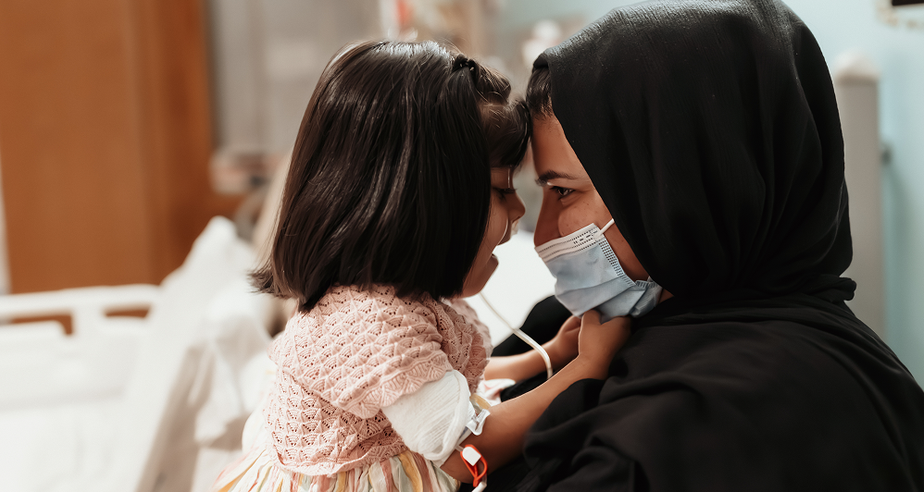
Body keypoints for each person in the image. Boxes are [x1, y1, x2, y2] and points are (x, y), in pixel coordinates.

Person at [486, 0, 924, 490]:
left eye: (564, 191)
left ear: (686, 186)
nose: (543, 235)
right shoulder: (590, 328)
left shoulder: (687, 436)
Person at [210, 40, 632, 492]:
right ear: (419, 201)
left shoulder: (390, 305)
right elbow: (466, 449)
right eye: (501, 191)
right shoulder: (370, 326)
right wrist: (588, 366)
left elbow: (435, 382)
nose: (519, 212)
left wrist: (540, 358)